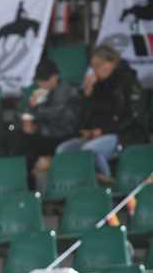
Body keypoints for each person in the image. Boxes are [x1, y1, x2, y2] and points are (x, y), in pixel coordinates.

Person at [56, 44, 148, 183]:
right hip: (96, 135)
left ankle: (107, 186)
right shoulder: (95, 85)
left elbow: (134, 116)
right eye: (94, 66)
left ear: (112, 62)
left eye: (100, 64)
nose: (96, 69)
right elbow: (82, 120)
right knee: (64, 151)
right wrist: (87, 94)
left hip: (124, 135)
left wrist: (104, 131)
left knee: (90, 151)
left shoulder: (127, 81)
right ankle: (78, 186)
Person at [9, 58, 80, 188]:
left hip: (63, 135)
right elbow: (19, 114)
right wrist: (28, 113)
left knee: (27, 144)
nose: (42, 83)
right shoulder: (39, 92)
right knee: (18, 139)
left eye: (45, 80)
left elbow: (59, 115)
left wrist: (36, 110)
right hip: (44, 135)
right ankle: (23, 185)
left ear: (55, 77)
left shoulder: (68, 91)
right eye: (39, 80)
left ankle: (29, 186)